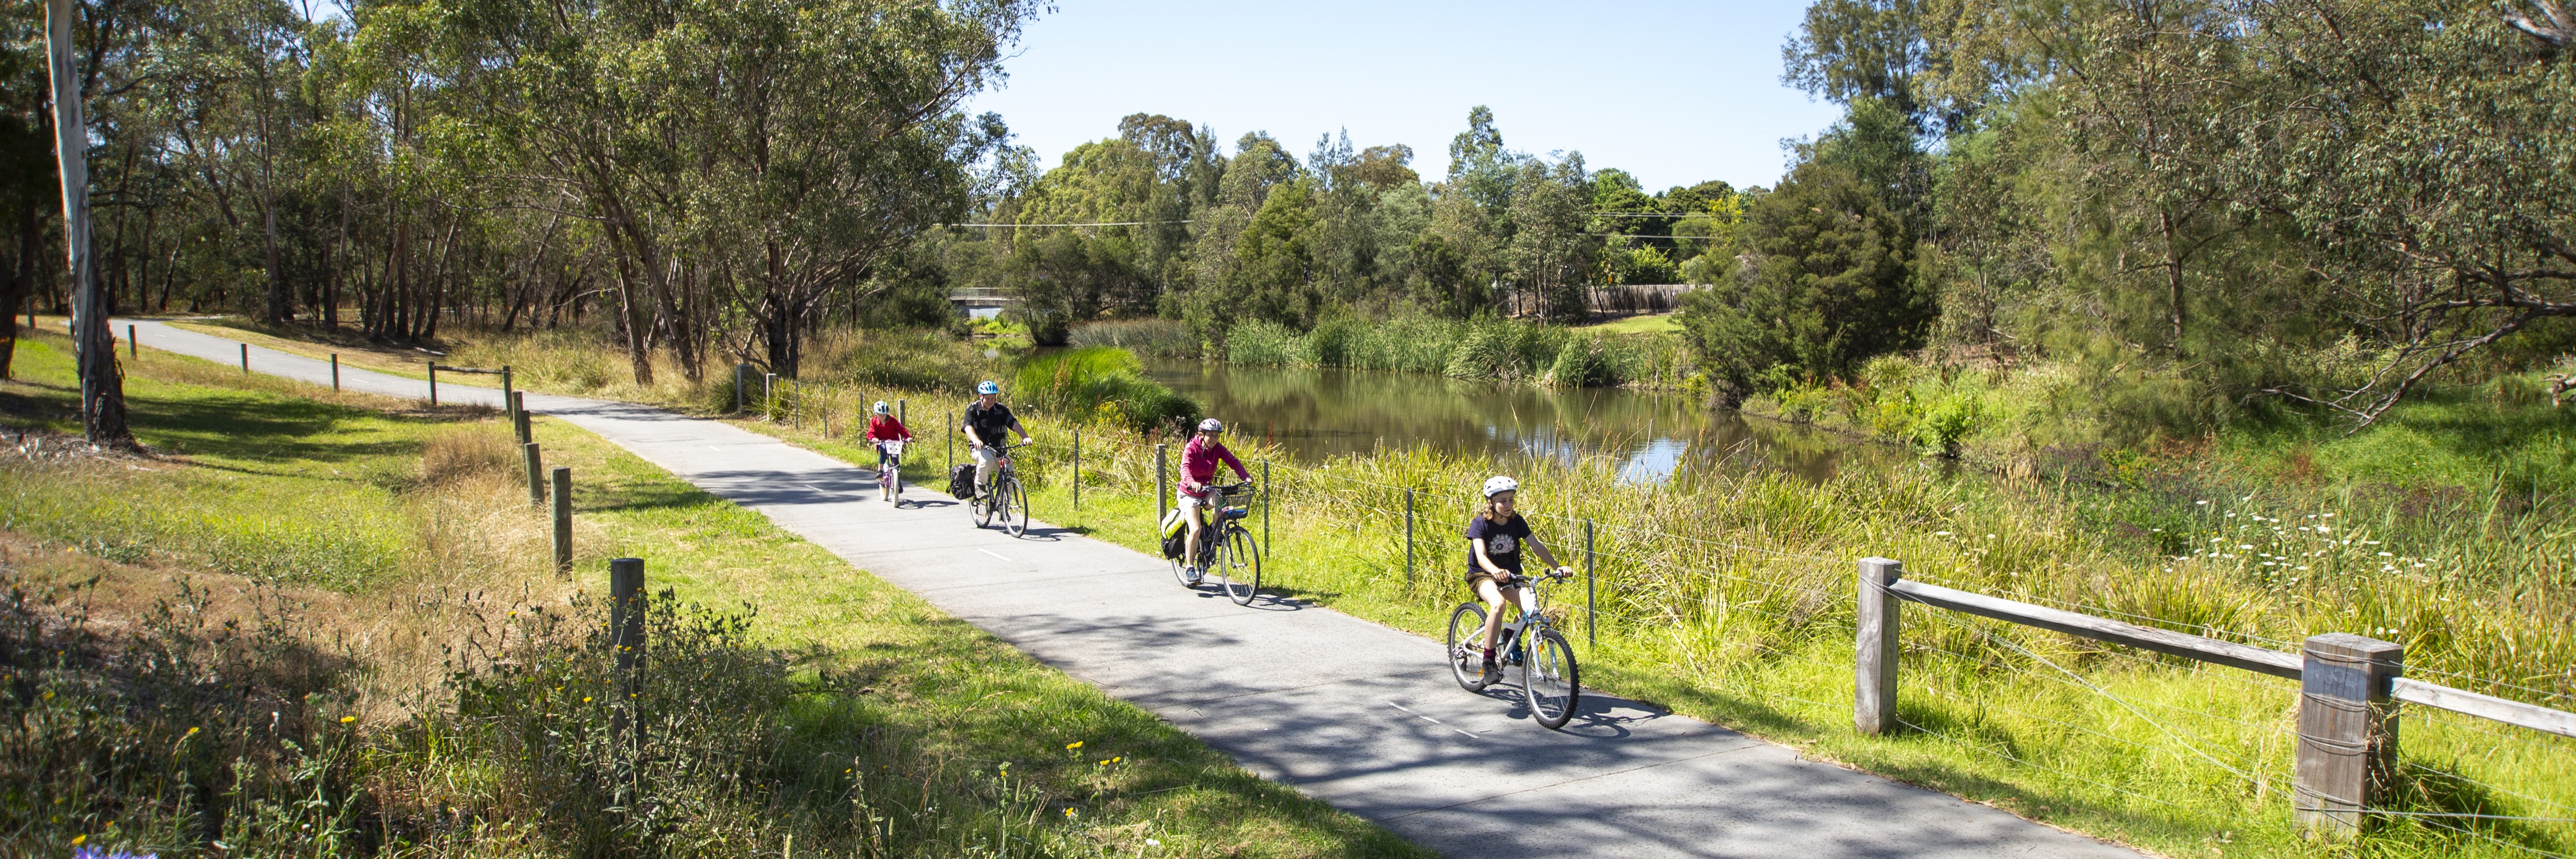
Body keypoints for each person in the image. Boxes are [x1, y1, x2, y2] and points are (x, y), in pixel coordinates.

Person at [1463, 476, 1572, 681]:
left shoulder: (1517, 522)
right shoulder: (1480, 524)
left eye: (1511, 500)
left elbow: (1537, 546)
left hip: (1511, 575)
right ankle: (1488, 662)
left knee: (1530, 609)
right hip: (1483, 574)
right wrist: (1495, 571)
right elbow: (1481, 557)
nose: (1508, 505)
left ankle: (1509, 636)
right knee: (1498, 604)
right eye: (1503, 501)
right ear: (1491, 502)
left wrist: (1558, 567)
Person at [1177, 418, 1251, 585]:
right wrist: (1191, 482)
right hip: (1189, 493)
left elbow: (1233, 462)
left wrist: (1245, 476)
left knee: (1222, 505)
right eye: (1211, 435)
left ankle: (1213, 532)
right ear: (1201, 435)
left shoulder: (1217, 449)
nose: (1214, 439)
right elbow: (1185, 468)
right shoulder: (1191, 448)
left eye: (1217, 436)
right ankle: (1190, 569)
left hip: (1205, 490)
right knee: (1195, 529)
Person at [961, 380, 1030, 495]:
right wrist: (976, 440)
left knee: (1010, 473)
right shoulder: (972, 410)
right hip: (980, 448)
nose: (990, 402)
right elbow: (967, 427)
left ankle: (1005, 504)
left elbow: (1013, 423)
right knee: (987, 460)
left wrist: (1025, 437)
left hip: (999, 450)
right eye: (987, 399)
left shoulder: (1001, 410)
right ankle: (979, 486)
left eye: (993, 399)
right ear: (980, 396)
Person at [865, 401, 913, 501]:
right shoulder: (874, 422)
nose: (883, 417)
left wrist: (908, 437)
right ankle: (880, 470)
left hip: (894, 443)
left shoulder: (892, 421)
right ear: (876, 414)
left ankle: (897, 482)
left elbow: (901, 429)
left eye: (884, 414)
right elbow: (871, 432)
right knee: (883, 450)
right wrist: (873, 438)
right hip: (882, 443)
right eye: (880, 415)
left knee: (896, 463)